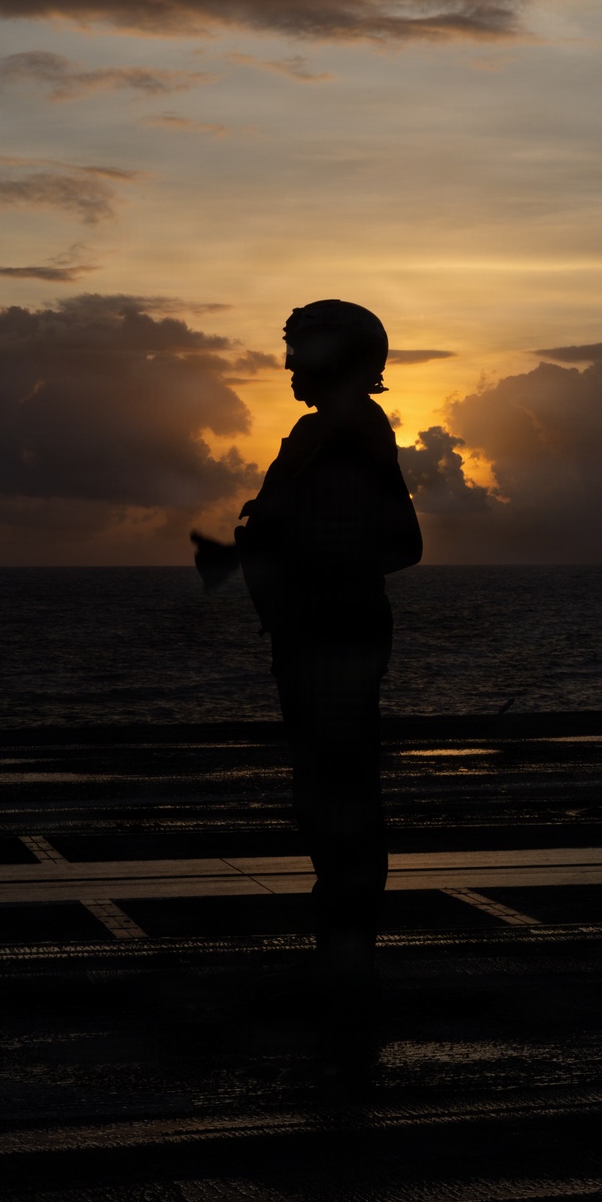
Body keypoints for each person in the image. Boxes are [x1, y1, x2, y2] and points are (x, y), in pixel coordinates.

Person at [192, 299, 422, 990]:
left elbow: (401, 544)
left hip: (336, 639)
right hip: (310, 637)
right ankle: (339, 950)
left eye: (305, 349)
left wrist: (284, 547)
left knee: (341, 796)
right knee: (324, 796)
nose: (289, 363)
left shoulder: (353, 433)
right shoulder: (320, 434)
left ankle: (348, 958)